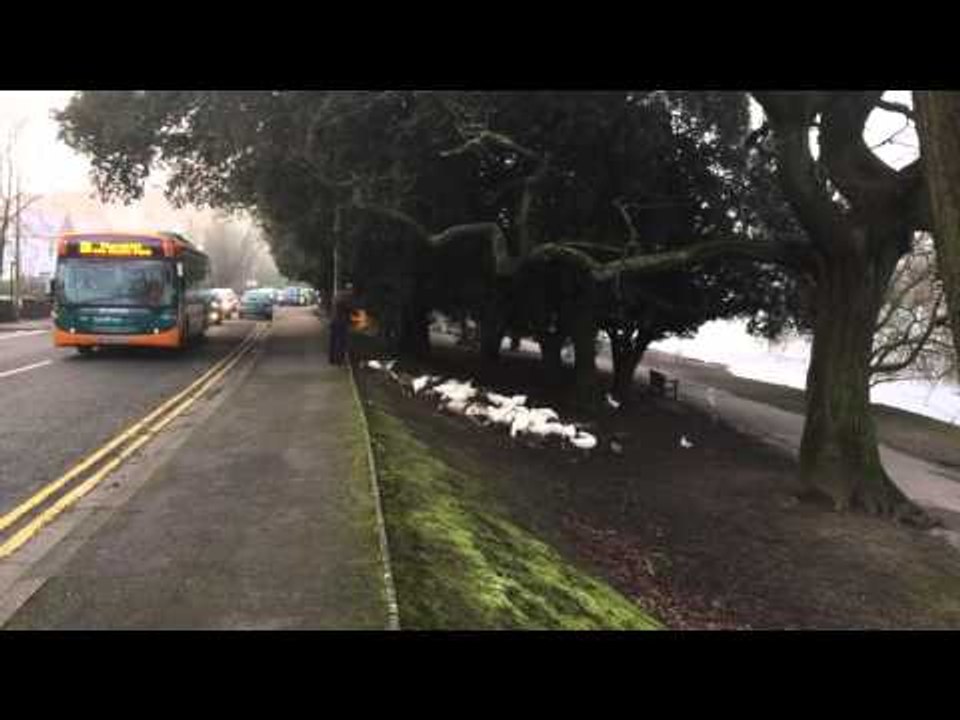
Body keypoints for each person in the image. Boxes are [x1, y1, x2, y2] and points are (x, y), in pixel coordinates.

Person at [328, 290, 352, 365]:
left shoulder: (335, 300)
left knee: (333, 341)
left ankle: (332, 359)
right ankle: (339, 360)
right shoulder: (344, 302)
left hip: (334, 322)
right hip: (342, 323)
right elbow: (348, 311)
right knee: (341, 342)